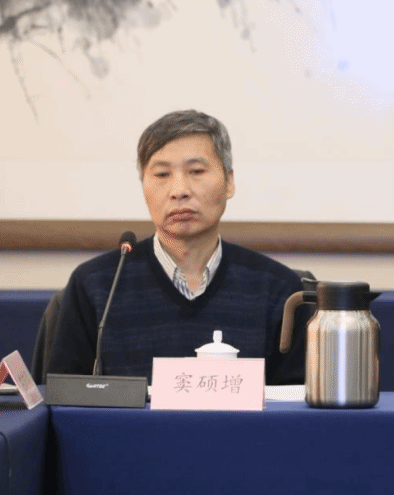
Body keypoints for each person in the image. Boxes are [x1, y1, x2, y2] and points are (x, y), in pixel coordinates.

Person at [41, 110, 308, 384]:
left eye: (196, 171)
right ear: (143, 187)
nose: (179, 190)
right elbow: (60, 398)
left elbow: (297, 404)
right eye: (162, 174)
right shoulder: (95, 287)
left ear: (229, 182)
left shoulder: (279, 290)